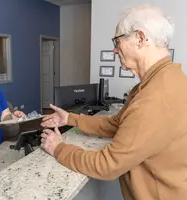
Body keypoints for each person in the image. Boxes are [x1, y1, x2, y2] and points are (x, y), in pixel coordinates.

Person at [40, 4, 187, 200]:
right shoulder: (165, 80)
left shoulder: (155, 98)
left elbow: (107, 165)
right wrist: (70, 118)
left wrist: (59, 148)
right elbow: (117, 124)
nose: (115, 50)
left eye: (117, 41)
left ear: (140, 39)